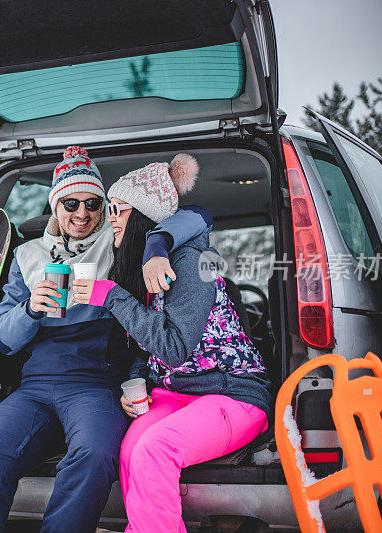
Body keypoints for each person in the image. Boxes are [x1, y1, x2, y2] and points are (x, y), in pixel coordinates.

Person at [0, 147, 213, 532]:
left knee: (93, 455)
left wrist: (156, 245)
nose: (82, 213)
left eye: (92, 203)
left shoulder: (120, 238)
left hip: (96, 384)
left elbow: (198, 216)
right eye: (70, 202)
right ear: (55, 205)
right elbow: (2, 341)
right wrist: (30, 310)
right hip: (35, 386)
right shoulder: (27, 256)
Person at [73, 154, 271, 533]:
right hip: (177, 392)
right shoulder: (145, 270)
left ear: (143, 216)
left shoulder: (189, 265)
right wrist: (137, 384)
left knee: (153, 449)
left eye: (118, 209)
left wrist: (112, 296)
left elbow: (175, 349)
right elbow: (145, 351)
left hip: (232, 395)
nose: (110, 218)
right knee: (130, 451)